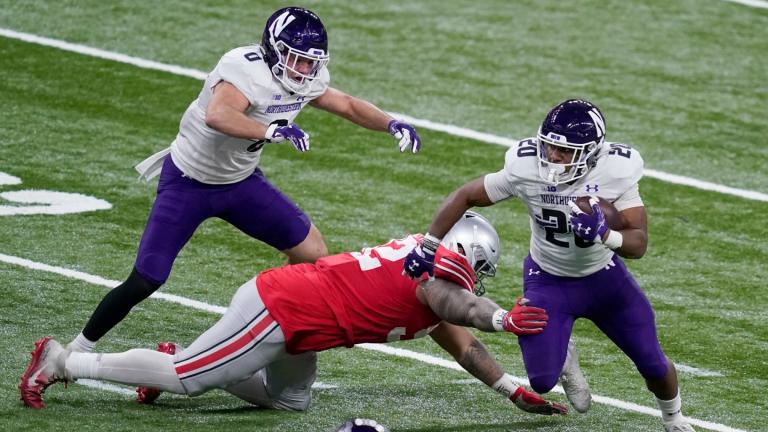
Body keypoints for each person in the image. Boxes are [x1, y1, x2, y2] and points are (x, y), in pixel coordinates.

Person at [67, 6, 422, 355]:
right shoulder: (245, 69)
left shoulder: (306, 78)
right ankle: (74, 351)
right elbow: (218, 115)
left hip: (239, 182)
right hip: (189, 183)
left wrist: (391, 123)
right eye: (296, 58)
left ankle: (269, 320)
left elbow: (344, 104)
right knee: (146, 279)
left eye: (310, 62)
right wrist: (270, 131)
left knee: (312, 254)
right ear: (274, 49)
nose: (304, 69)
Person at [20, 212, 567, 418]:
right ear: (467, 256)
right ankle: (64, 362)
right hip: (282, 310)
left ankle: (184, 358)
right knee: (188, 382)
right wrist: (501, 318)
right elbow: (461, 308)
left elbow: (459, 341)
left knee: (290, 401)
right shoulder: (436, 282)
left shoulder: (427, 273)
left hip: (304, 328)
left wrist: (511, 390)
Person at [402, 99, 695, 432]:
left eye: (565, 150)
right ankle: (566, 356)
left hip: (604, 280)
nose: (553, 156)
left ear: (593, 153)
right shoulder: (526, 168)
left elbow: (638, 241)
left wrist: (606, 233)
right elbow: (466, 195)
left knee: (653, 363)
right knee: (542, 380)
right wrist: (429, 245)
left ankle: (674, 419)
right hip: (547, 279)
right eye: (550, 145)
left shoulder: (615, 172)